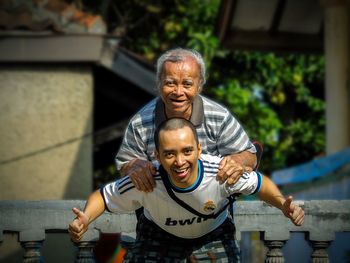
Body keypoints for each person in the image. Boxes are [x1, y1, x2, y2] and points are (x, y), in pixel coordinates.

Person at [69, 118, 305, 262]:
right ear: (157, 156)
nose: (179, 161)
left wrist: (282, 203)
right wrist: (86, 219)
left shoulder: (220, 173)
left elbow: (260, 184)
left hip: (213, 235)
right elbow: (104, 196)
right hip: (159, 237)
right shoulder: (147, 180)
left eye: (187, 151)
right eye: (169, 154)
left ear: (199, 149)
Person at [115, 47, 258, 261]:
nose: (178, 91)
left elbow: (250, 155)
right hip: (157, 228)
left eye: (187, 84)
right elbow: (125, 162)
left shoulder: (218, 117)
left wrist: (237, 161)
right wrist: (133, 166)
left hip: (212, 225)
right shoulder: (141, 122)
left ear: (199, 85)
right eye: (170, 82)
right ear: (159, 84)